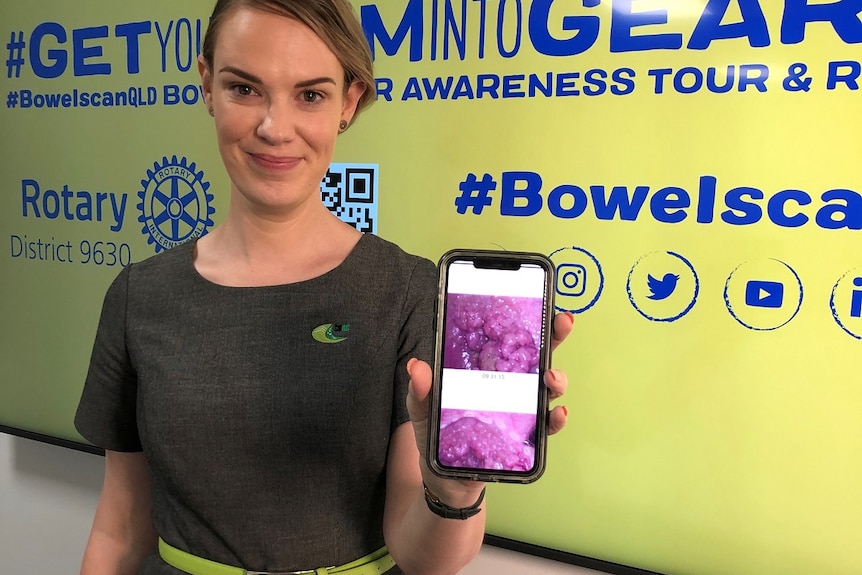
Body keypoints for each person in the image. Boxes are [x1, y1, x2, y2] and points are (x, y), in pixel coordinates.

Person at [74, 1, 573, 574]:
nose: (274, 128)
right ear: (208, 86)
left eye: (310, 94)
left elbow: (424, 558)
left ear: (348, 102)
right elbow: (119, 526)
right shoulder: (140, 295)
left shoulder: (407, 290)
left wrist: (453, 492)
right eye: (244, 89)